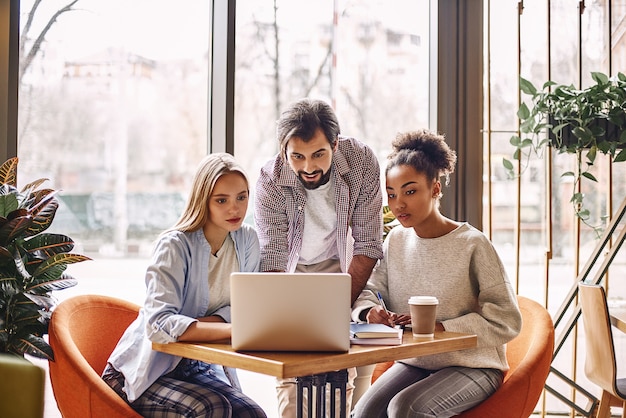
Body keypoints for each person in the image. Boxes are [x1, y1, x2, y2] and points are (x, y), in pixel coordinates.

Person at [351, 129, 523, 418]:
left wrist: (443, 327)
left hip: (474, 366)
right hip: (417, 362)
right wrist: (369, 312)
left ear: (435, 189)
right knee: (365, 411)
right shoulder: (395, 240)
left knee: (406, 409)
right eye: (392, 195)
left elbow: (507, 320)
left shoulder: (473, 244)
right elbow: (369, 289)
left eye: (410, 191)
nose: (398, 204)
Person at [102, 153, 267, 418]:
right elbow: (158, 325)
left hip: (196, 368)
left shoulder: (246, 240)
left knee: (251, 413)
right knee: (213, 408)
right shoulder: (175, 245)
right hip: (141, 374)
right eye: (221, 200)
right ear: (204, 200)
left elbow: (248, 309)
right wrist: (231, 328)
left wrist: (204, 324)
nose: (234, 209)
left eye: (242, 197)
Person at [254, 98, 384, 417]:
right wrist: (286, 318)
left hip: (342, 265)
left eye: (318, 154)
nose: (308, 167)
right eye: (297, 156)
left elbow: (368, 243)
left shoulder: (362, 161)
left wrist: (336, 307)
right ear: (284, 150)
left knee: (341, 366)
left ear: (335, 145)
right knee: (293, 365)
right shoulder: (270, 180)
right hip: (291, 271)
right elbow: (272, 255)